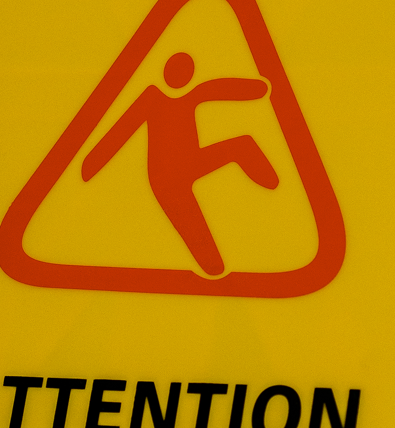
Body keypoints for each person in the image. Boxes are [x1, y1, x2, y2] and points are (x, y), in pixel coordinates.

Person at [81, 51, 278, 276]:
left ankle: (273, 186)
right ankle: (212, 266)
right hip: (165, 179)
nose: (180, 76)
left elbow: (220, 88)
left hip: (193, 161)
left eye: (185, 71)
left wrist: (260, 89)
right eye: (176, 69)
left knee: (242, 145)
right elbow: (121, 131)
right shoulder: (152, 97)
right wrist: (92, 164)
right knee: (203, 246)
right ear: (166, 72)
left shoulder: (191, 95)